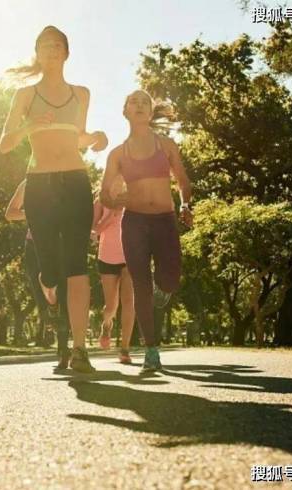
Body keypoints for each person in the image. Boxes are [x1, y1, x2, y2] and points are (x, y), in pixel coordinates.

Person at [0, 26, 108, 373]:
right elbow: (5, 143)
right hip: (40, 185)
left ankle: (80, 351)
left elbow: (77, 138)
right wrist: (30, 126)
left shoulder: (81, 93)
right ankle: (48, 288)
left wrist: (95, 138)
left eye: (57, 45)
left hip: (75, 182)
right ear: (37, 53)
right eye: (45, 46)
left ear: (66, 52)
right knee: (49, 269)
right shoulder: (25, 95)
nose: (51, 50)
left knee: (77, 266)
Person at [100, 89, 193, 374]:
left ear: (151, 112)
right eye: (134, 102)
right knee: (140, 286)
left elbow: (183, 181)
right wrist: (115, 201)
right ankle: (151, 351)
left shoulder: (167, 145)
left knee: (170, 279)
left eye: (145, 102)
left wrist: (185, 204)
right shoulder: (118, 154)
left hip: (164, 219)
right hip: (134, 223)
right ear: (125, 111)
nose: (139, 105)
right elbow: (104, 193)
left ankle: (162, 290)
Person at [5, 180, 71, 369]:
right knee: (40, 288)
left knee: (63, 293)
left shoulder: (65, 179)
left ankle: (63, 349)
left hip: (60, 243)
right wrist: (33, 212)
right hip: (33, 244)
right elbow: (10, 213)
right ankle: (49, 311)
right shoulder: (28, 183)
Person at [92, 178, 135, 364]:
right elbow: (94, 230)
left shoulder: (131, 199)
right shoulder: (100, 201)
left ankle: (125, 348)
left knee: (129, 302)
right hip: (107, 258)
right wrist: (112, 215)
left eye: (120, 179)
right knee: (111, 307)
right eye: (113, 179)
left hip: (130, 256)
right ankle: (107, 324)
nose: (117, 183)